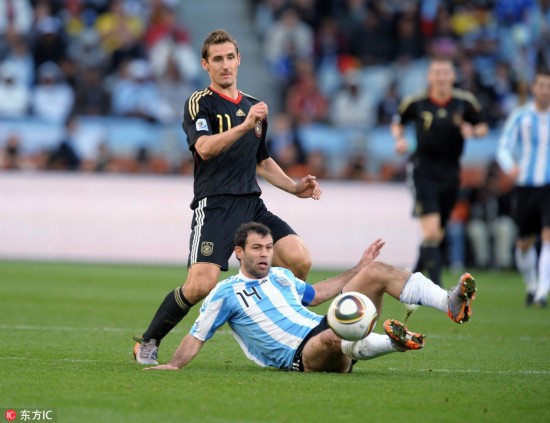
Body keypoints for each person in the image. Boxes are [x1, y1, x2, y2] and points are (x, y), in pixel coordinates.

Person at [133, 29, 322, 365]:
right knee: (200, 285)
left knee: (299, 260)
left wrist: (294, 188)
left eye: (230, 57)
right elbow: (205, 149)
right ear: (205, 65)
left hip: (251, 205)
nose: (225, 65)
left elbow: (261, 161)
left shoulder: (252, 106)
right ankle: (148, 341)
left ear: (239, 59)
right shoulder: (200, 103)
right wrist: (245, 125)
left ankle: (288, 331)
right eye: (217, 59)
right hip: (215, 204)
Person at [144, 222, 477, 373]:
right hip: (302, 354)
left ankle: (448, 302)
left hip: (328, 326)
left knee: (375, 271)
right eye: (257, 248)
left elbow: (318, 294)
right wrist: (173, 365)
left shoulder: (282, 275)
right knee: (333, 335)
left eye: (269, 247)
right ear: (239, 252)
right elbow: (197, 334)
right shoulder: (226, 292)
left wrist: (358, 268)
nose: (265, 254)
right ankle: (392, 342)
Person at [390, 57, 488, 287]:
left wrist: (473, 131)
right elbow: (398, 122)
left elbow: (483, 126)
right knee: (431, 230)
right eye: (437, 72)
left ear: (453, 76)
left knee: (437, 232)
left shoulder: (464, 102)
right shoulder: (417, 102)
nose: (441, 77)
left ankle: (413, 277)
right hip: (423, 170)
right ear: (429, 76)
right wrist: (399, 139)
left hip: (451, 173)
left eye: (445, 72)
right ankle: (437, 289)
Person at [496, 68, 550, 307]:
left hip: (548, 186)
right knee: (524, 244)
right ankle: (531, 285)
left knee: (548, 236)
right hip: (525, 187)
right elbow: (503, 147)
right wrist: (510, 166)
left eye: (549, 87)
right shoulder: (520, 116)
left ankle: (542, 293)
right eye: (542, 86)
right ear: (533, 88)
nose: (545, 91)